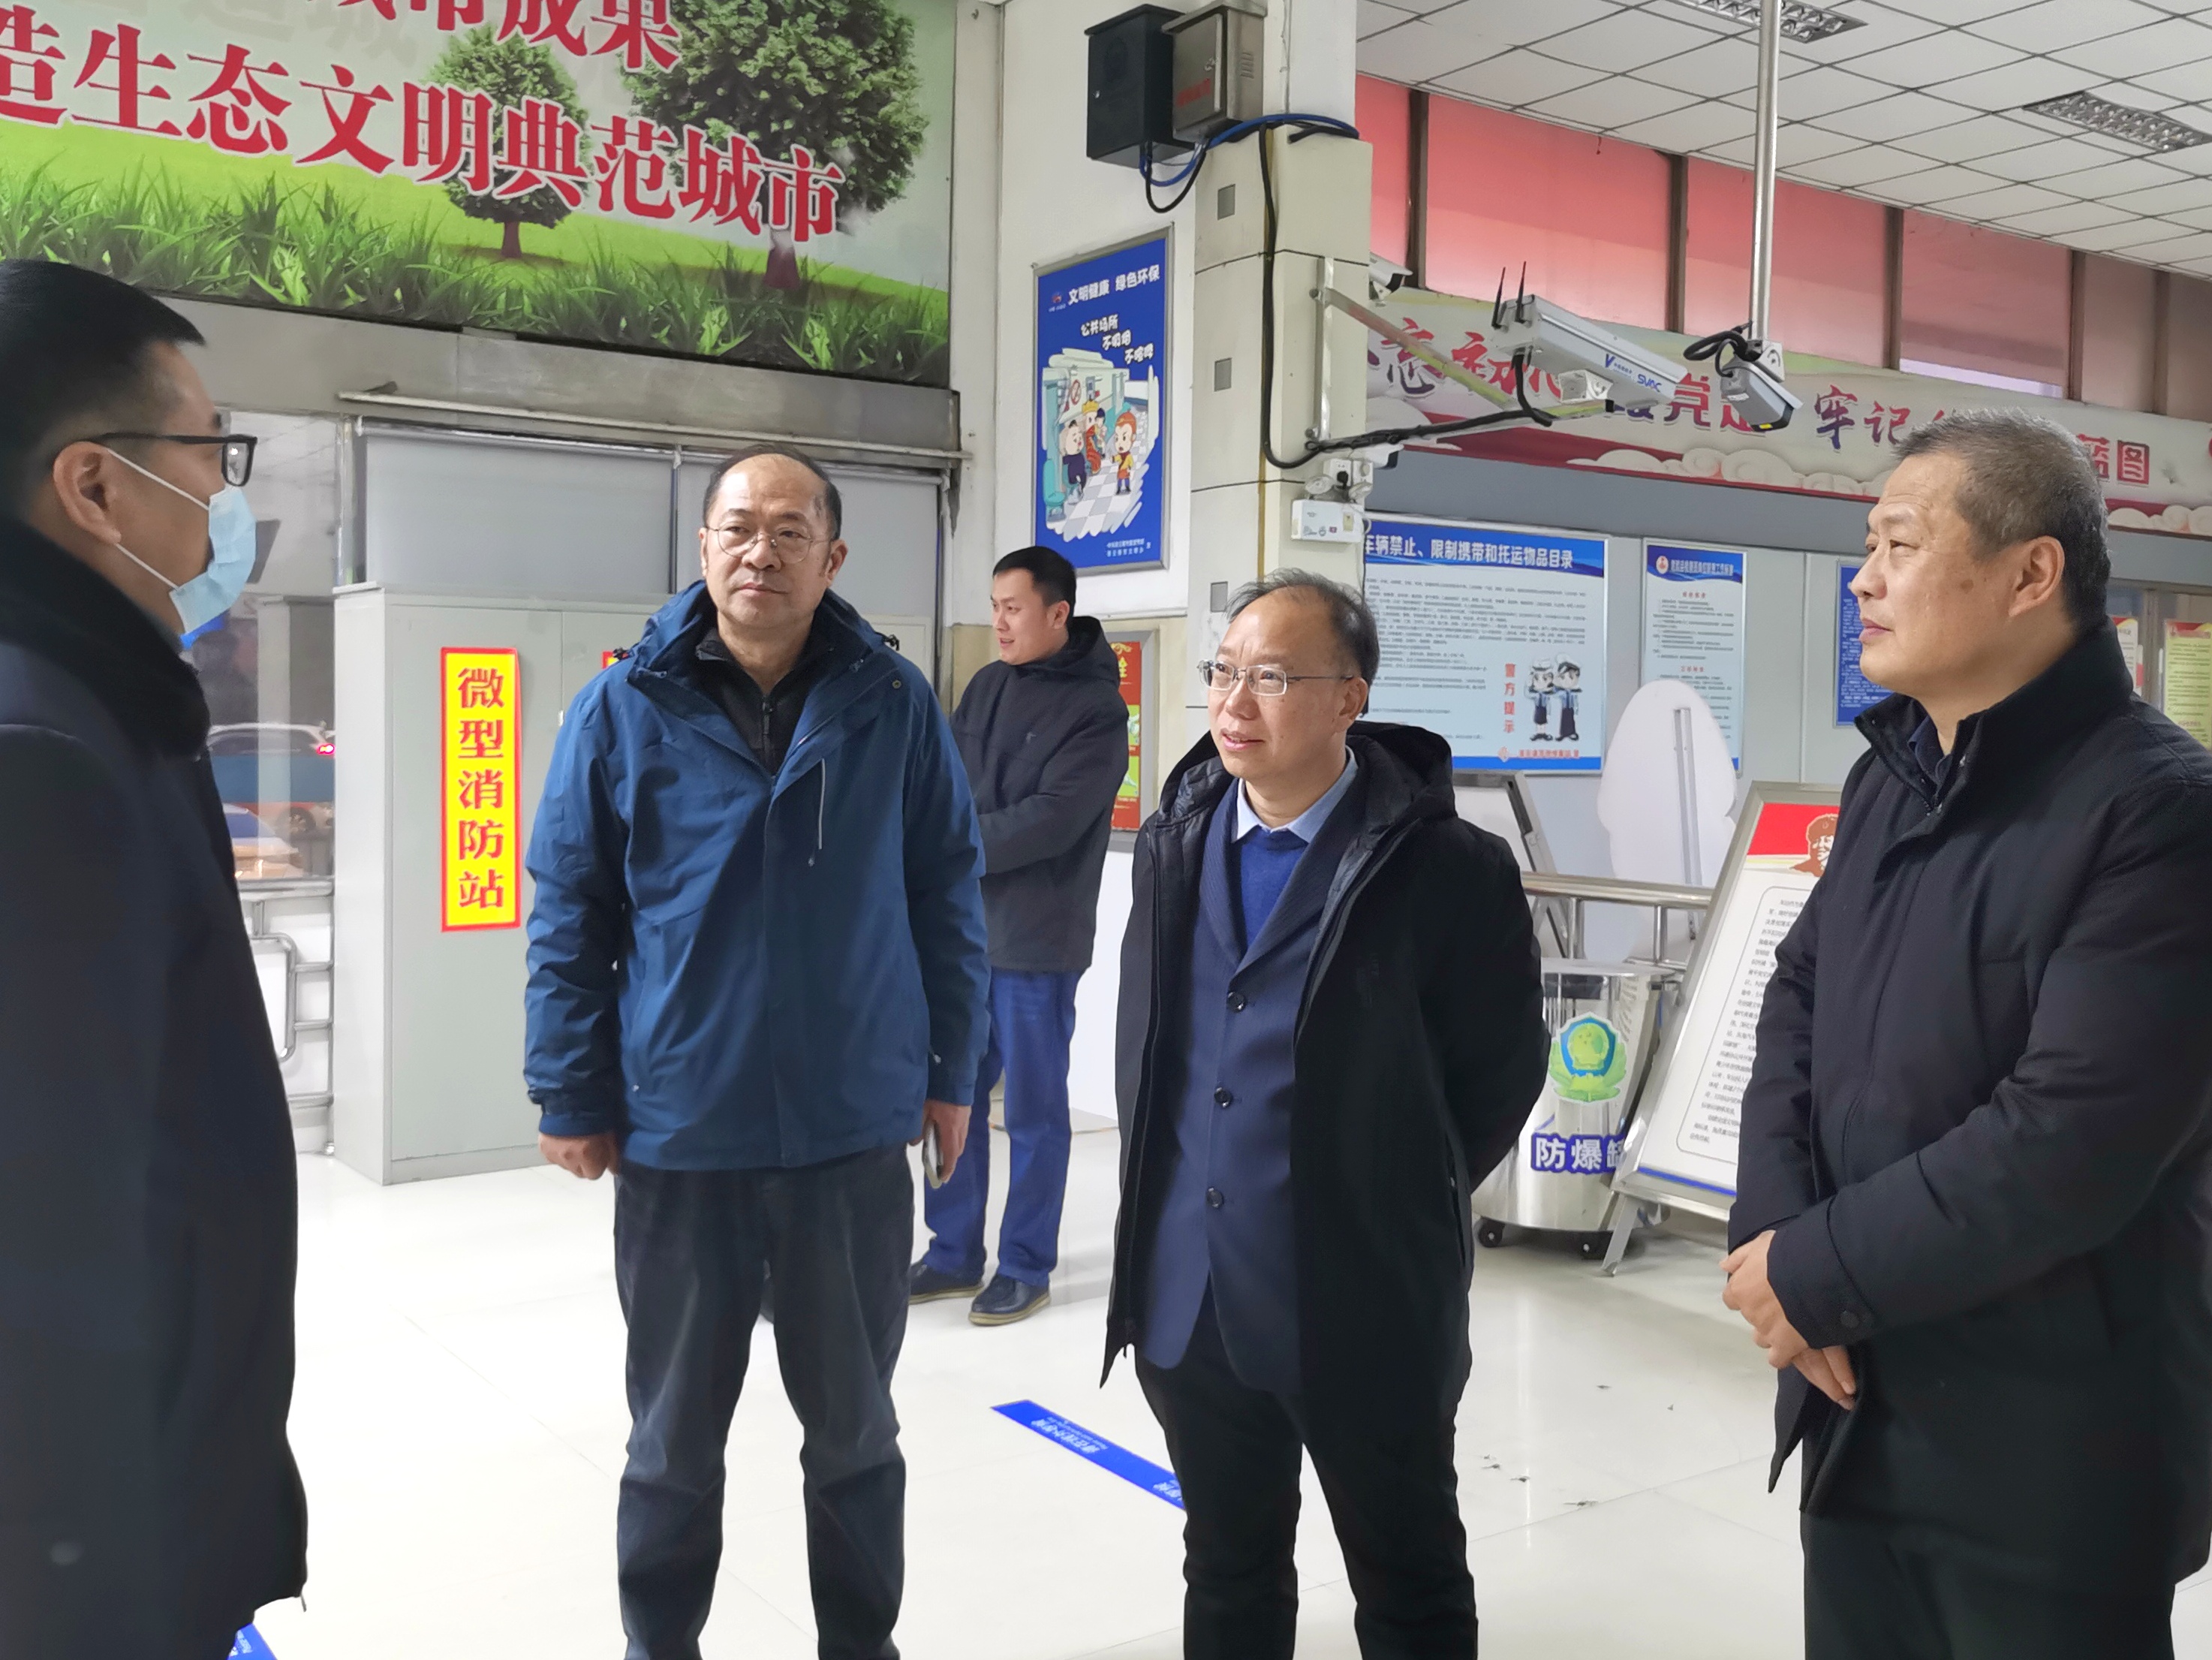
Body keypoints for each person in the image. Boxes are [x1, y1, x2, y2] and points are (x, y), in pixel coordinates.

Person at [1726, 409, 2212, 1659]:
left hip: (2045, 1455)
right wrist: (1771, 1239)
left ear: (2028, 572)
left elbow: (2072, 1139)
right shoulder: (1888, 778)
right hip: (1852, 1405)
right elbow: (1797, 994)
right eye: (1866, 546)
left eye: (1898, 543)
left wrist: (1810, 1272)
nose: (1863, 579)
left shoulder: (2158, 810)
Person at [525, 443, 992, 1660]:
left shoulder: (891, 702)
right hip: (684, 1127)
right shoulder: (624, 704)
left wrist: (953, 1074)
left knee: (855, 1436)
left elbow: (947, 892)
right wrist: (569, 1086)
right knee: (672, 1440)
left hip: (848, 1128)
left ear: (832, 557)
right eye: (737, 526)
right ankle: (659, 1644)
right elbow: (571, 907)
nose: (760, 550)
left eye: (790, 530)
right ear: (702, 546)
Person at [1104, 571, 1548, 1658]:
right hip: (1190, 1298)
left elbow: (1497, 1071)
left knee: (1407, 1583)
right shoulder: (1174, 841)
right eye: (1222, 672)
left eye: (1270, 678)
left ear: (1349, 698)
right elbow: (1150, 1049)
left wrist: (1393, 1185)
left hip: (1363, 1300)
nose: (1232, 704)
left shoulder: (1446, 867)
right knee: (1226, 1567)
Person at [0, 260, 305, 1655]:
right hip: (106, 1551)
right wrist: (97, 1589)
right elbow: (44, 1259)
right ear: (94, 486)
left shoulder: (107, 700)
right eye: (208, 452)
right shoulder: (43, 750)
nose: (225, 494)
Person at [913, 546, 1131, 1324]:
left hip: (1037, 941)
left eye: (1012, 607)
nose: (999, 622)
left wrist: (948, 844)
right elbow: (941, 782)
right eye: (994, 606)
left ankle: (1026, 1265)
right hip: (964, 936)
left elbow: (1052, 821)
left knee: (1035, 1114)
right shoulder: (985, 686)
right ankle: (950, 1251)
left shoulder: (1098, 710)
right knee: (950, 1097)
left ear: (1057, 613)